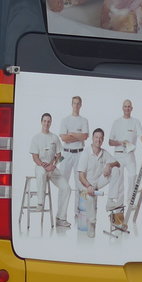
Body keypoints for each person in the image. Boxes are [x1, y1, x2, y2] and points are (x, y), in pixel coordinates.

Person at [29, 113, 70, 227]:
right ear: (41, 122)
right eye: (45, 121)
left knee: (66, 188)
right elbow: (35, 157)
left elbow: (60, 155)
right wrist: (43, 165)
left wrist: (53, 164)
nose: (46, 123)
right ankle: (40, 203)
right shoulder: (36, 138)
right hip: (40, 167)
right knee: (41, 172)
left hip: (52, 168)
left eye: (49, 121)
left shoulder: (54, 138)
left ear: (51, 123)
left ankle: (61, 218)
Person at [77, 128, 119, 238]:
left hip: (97, 183)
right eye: (96, 137)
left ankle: (110, 200)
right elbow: (80, 176)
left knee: (115, 170)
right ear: (92, 138)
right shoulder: (86, 153)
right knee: (90, 198)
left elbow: (117, 163)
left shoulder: (104, 153)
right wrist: (89, 186)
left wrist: (109, 165)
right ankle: (92, 223)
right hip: (85, 184)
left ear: (103, 139)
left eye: (101, 138)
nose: (98, 140)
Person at [57, 96, 90, 224]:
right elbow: (64, 139)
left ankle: (78, 213)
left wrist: (71, 134)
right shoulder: (65, 120)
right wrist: (79, 136)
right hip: (66, 154)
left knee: (80, 184)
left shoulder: (84, 120)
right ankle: (61, 214)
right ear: (71, 104)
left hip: (79, 154)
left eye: (78, 103)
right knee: (63, 184)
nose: (76, 106)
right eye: (74, 103)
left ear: (81, 105)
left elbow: (85, 136)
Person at [107, 99, 142, 204]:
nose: (127, 108)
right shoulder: (117, 122)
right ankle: (119, 204)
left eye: (129, 106)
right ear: (122, 108)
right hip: (118, 155)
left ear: (132, 108)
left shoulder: (135, 122)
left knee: (133, 175)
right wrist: (121, 143)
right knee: (119, 181)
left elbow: (141, 136)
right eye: (125, 106)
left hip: (130, 155)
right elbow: (110, 142)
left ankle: (130, 200)